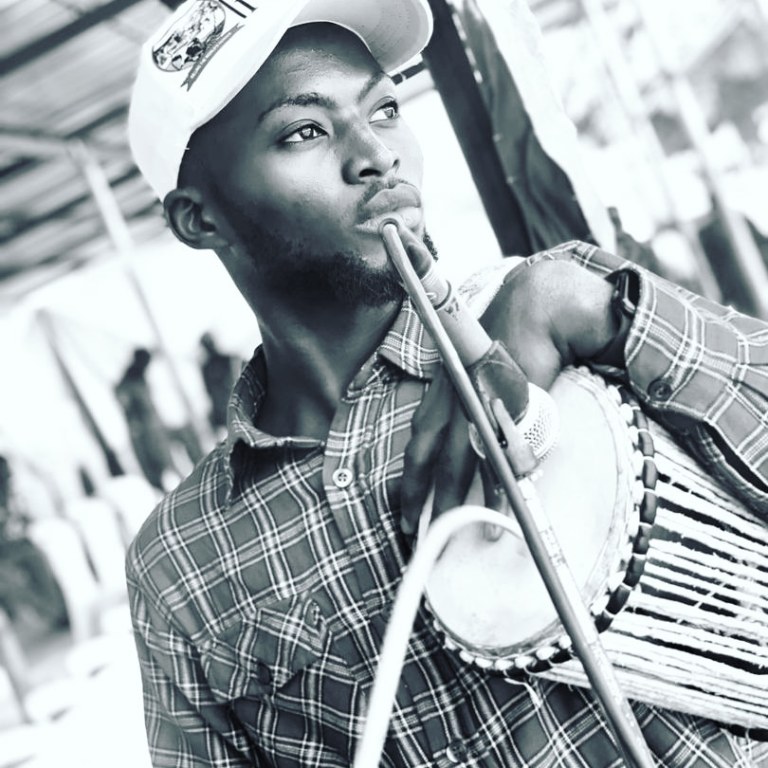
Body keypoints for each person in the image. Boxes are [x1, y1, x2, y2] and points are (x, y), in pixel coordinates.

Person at [125, 1, 768, 765]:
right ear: (200, 220)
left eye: (386, 108)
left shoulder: (566, 315)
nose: (375, 155)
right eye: (304, 131)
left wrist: (588, 307)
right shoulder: (178, 563)